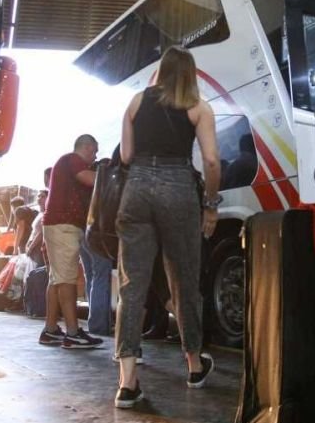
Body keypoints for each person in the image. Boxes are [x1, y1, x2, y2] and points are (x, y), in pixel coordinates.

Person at [113, 45, 220, 409]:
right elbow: (210, 160)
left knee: (132, 285)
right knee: (184, 279)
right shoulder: (199, 107)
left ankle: (127, 382)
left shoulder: (135, 102)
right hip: (178, 188)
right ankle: (193, 364)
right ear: (190, 73)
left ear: (160, 70)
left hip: (138, 185)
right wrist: (211, 205)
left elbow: (125, 157)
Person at [39, 135, 104, 350]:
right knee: (67, 279)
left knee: (57, 278)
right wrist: (112, 175)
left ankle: (50, 329)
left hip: (57, 225)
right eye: (94, 151)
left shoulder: (63, 163)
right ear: (86, 147)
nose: (95, 156)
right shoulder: (72, 160)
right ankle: (73, 333)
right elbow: (90, 179)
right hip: (64, 225)